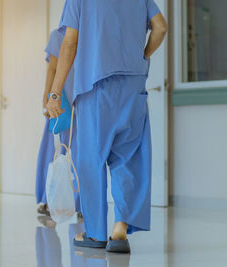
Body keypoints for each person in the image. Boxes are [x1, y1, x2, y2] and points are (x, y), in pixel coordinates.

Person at [46, 0, 167, 253]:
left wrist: (55, 92)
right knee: (129, 157)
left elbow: (70, 42)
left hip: (96, 85)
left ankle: (96, 233)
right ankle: (120, 228)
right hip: (133, 85)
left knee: (91, 159)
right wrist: (143, 56)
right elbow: (160, 28)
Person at [35, 29, 81, 219]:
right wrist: (48, 98)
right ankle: (71, 203)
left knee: (56, 151)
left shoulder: (62, 34)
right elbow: (53, 68)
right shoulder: (63, 35)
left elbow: (53, 68)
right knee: (71, 151)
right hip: (70, 99)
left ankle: (52, 200)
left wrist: (48, 97)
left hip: (64, 99)